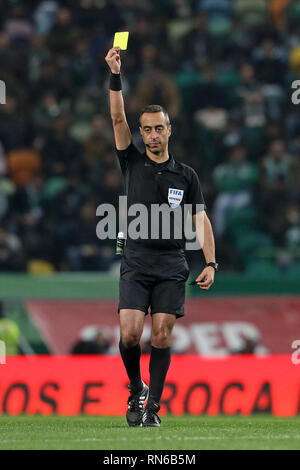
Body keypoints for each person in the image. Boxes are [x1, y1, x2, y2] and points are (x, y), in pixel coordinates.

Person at [105, 46, 218, 427]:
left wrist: (211, 262)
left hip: (171, 263)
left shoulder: (186, 175)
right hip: (136, 260)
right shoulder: (131, 160)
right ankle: (135, 388)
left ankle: (152, 405)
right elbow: (118, 117)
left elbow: (201, 220)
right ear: (142, 133)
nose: (152, 134)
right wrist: (115, 75)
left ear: (169, 130)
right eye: (146, 129)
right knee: (130, 333)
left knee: (163, 335)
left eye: (158, 128)